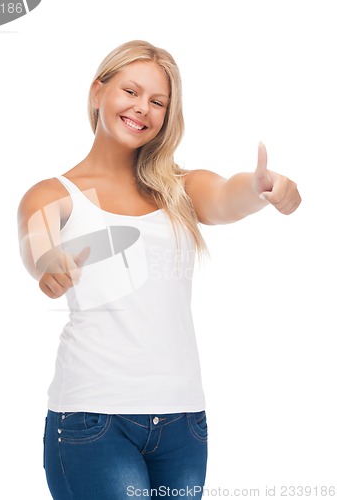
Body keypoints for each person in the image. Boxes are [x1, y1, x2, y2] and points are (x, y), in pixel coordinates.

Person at [17, 40, 301, 500]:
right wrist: (49, 263)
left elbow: (229, 196)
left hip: (183, 424)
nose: (141, 108)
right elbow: (37, 241)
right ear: (97, 92)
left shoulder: (180, 190)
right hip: (93, 421)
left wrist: (261, 189)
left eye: (157, 101)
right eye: (130, 91)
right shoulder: (53, 193)